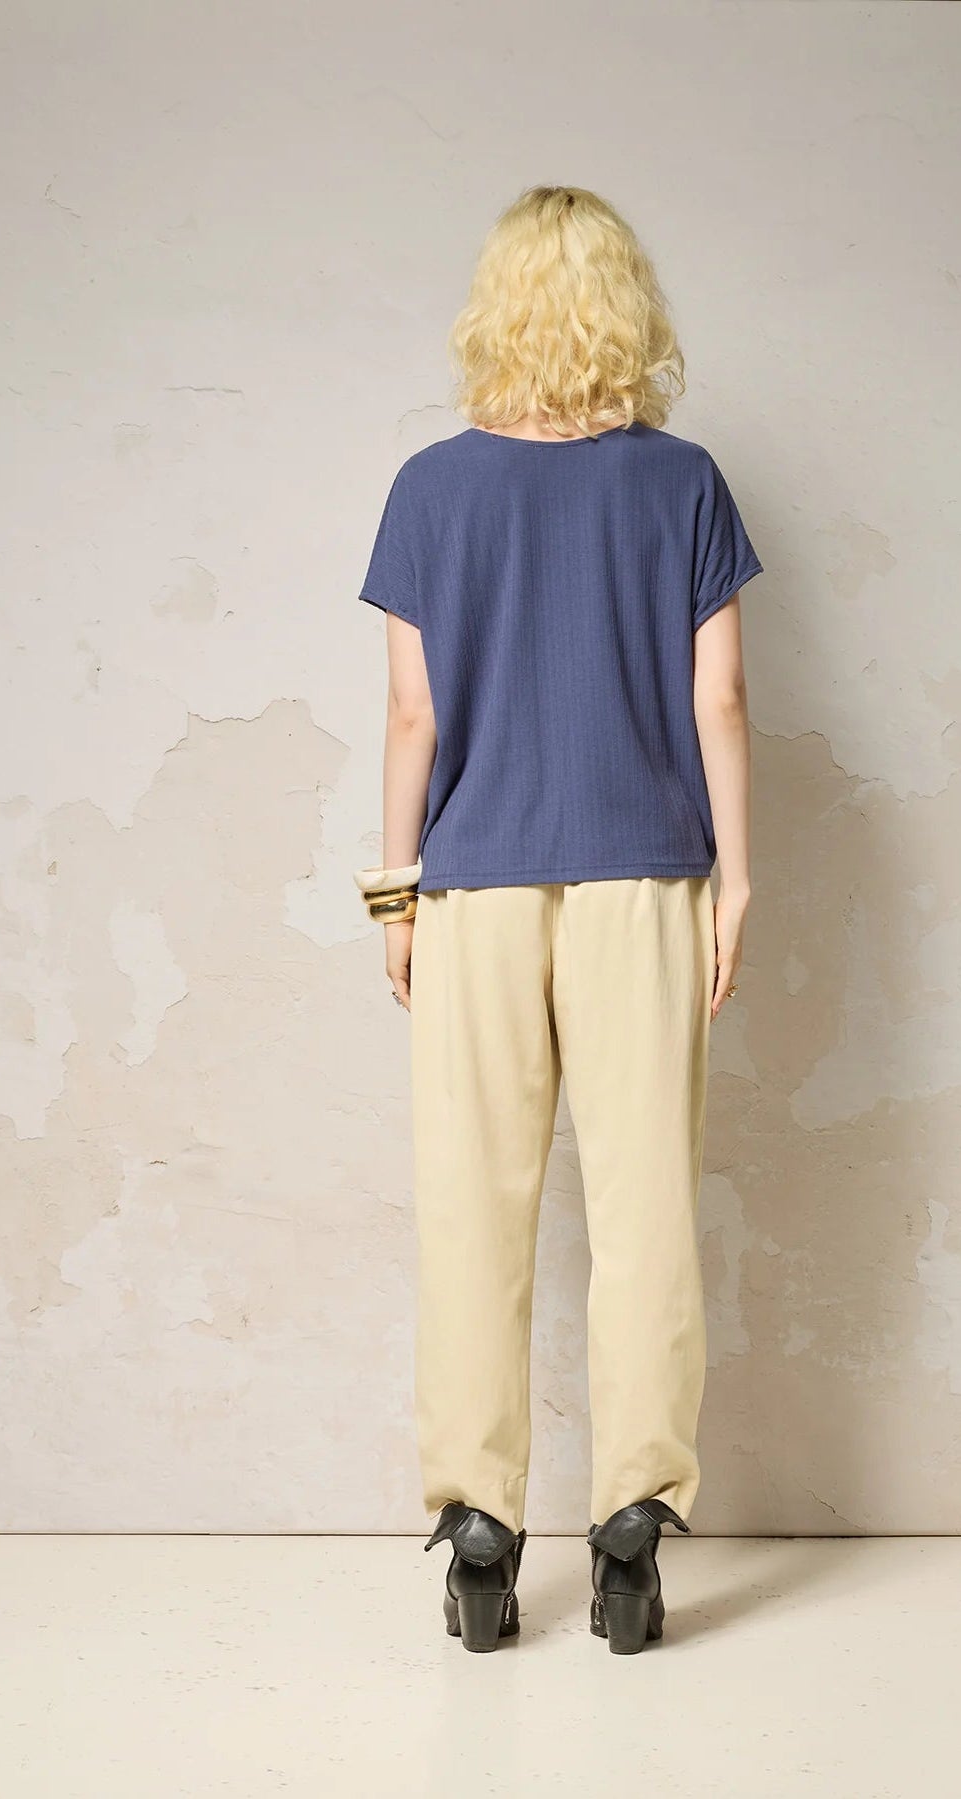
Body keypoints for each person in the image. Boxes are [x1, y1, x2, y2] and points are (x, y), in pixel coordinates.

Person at [354, 184, 762, 1654]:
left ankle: (479, 1525)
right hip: (646, 878)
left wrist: (395, 892)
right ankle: (635, 1521)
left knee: (474, 1203)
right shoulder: (686, 485)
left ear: (499, 306)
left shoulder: (429, 489)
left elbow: (414, 715)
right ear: (624, 305)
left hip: (472, 884)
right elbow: (721, 697)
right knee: (645, 1206)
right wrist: (737, 876)